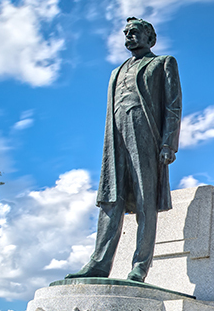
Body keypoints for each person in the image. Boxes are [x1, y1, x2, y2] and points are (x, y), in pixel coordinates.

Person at [66, 17, 181, 282]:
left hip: (147, 135)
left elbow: (173, 105)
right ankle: (99, 263)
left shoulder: (163, 62)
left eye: (135, 32)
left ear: (150, 37)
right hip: (115, 137)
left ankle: (140, 266)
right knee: (110, 199)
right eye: (126, 32)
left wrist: (168, 143)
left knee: (145, 200)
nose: (129, 36)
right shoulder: (115, 71)